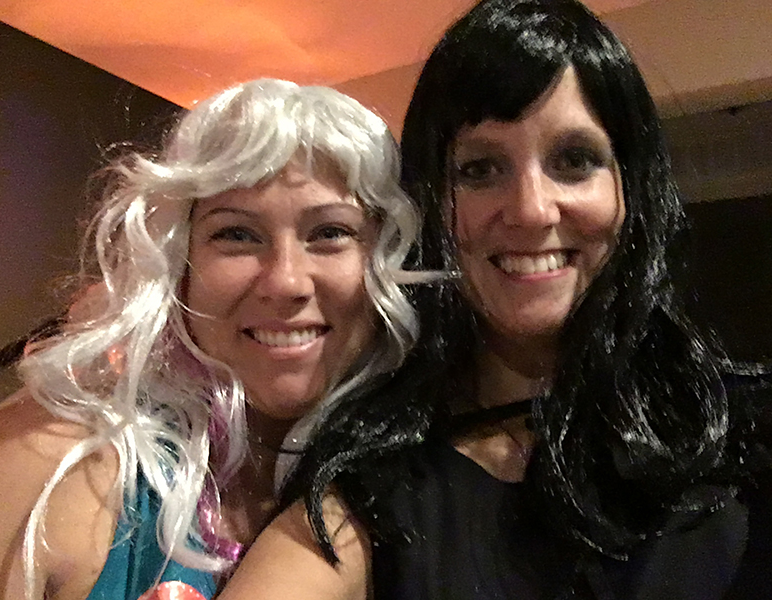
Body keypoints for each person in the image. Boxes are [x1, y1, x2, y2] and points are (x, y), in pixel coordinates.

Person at [219, 1, 772, 598]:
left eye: (574, 161)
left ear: (631, 188)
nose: (531, 210)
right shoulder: (369, 485)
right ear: (429, 201)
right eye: (480, 169)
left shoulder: (748, 431)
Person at [0, 78, 425, 600]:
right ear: (179, 264)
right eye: (237, 234)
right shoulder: (50, 462)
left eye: (330, 233)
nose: (285, 281)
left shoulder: (425, 497)